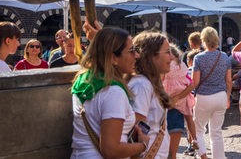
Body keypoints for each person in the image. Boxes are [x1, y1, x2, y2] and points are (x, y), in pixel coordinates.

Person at [70, 26, 148, 158]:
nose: (137, 55)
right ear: (113, 58)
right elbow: (110, 150)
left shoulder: (84, 79)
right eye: (131, 51)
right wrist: (143, 145)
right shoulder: (113, 92)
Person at [129, 31, 172, 159]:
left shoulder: (149, 83)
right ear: (152, 56)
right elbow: (133, 129)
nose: (172, 57)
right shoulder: (142, 85)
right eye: (167, 52)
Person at [191, 27, 231, 159]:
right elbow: (229, 81)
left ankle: (202, 155)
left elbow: (195, 82)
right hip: (220, 96)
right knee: (216, 132)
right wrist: (228, 97)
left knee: (199, 129)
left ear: (203, 41)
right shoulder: (225, 57)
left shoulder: (198, 58)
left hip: (204, 97)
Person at [162, 43, 195, 159]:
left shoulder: (165, 68)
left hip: (168, 106)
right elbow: (191, 85)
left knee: (168, 153)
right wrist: (179, 97)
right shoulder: (182, 66)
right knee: (189, 118)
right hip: (180, 103)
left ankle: (194, 140)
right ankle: (194, 139)